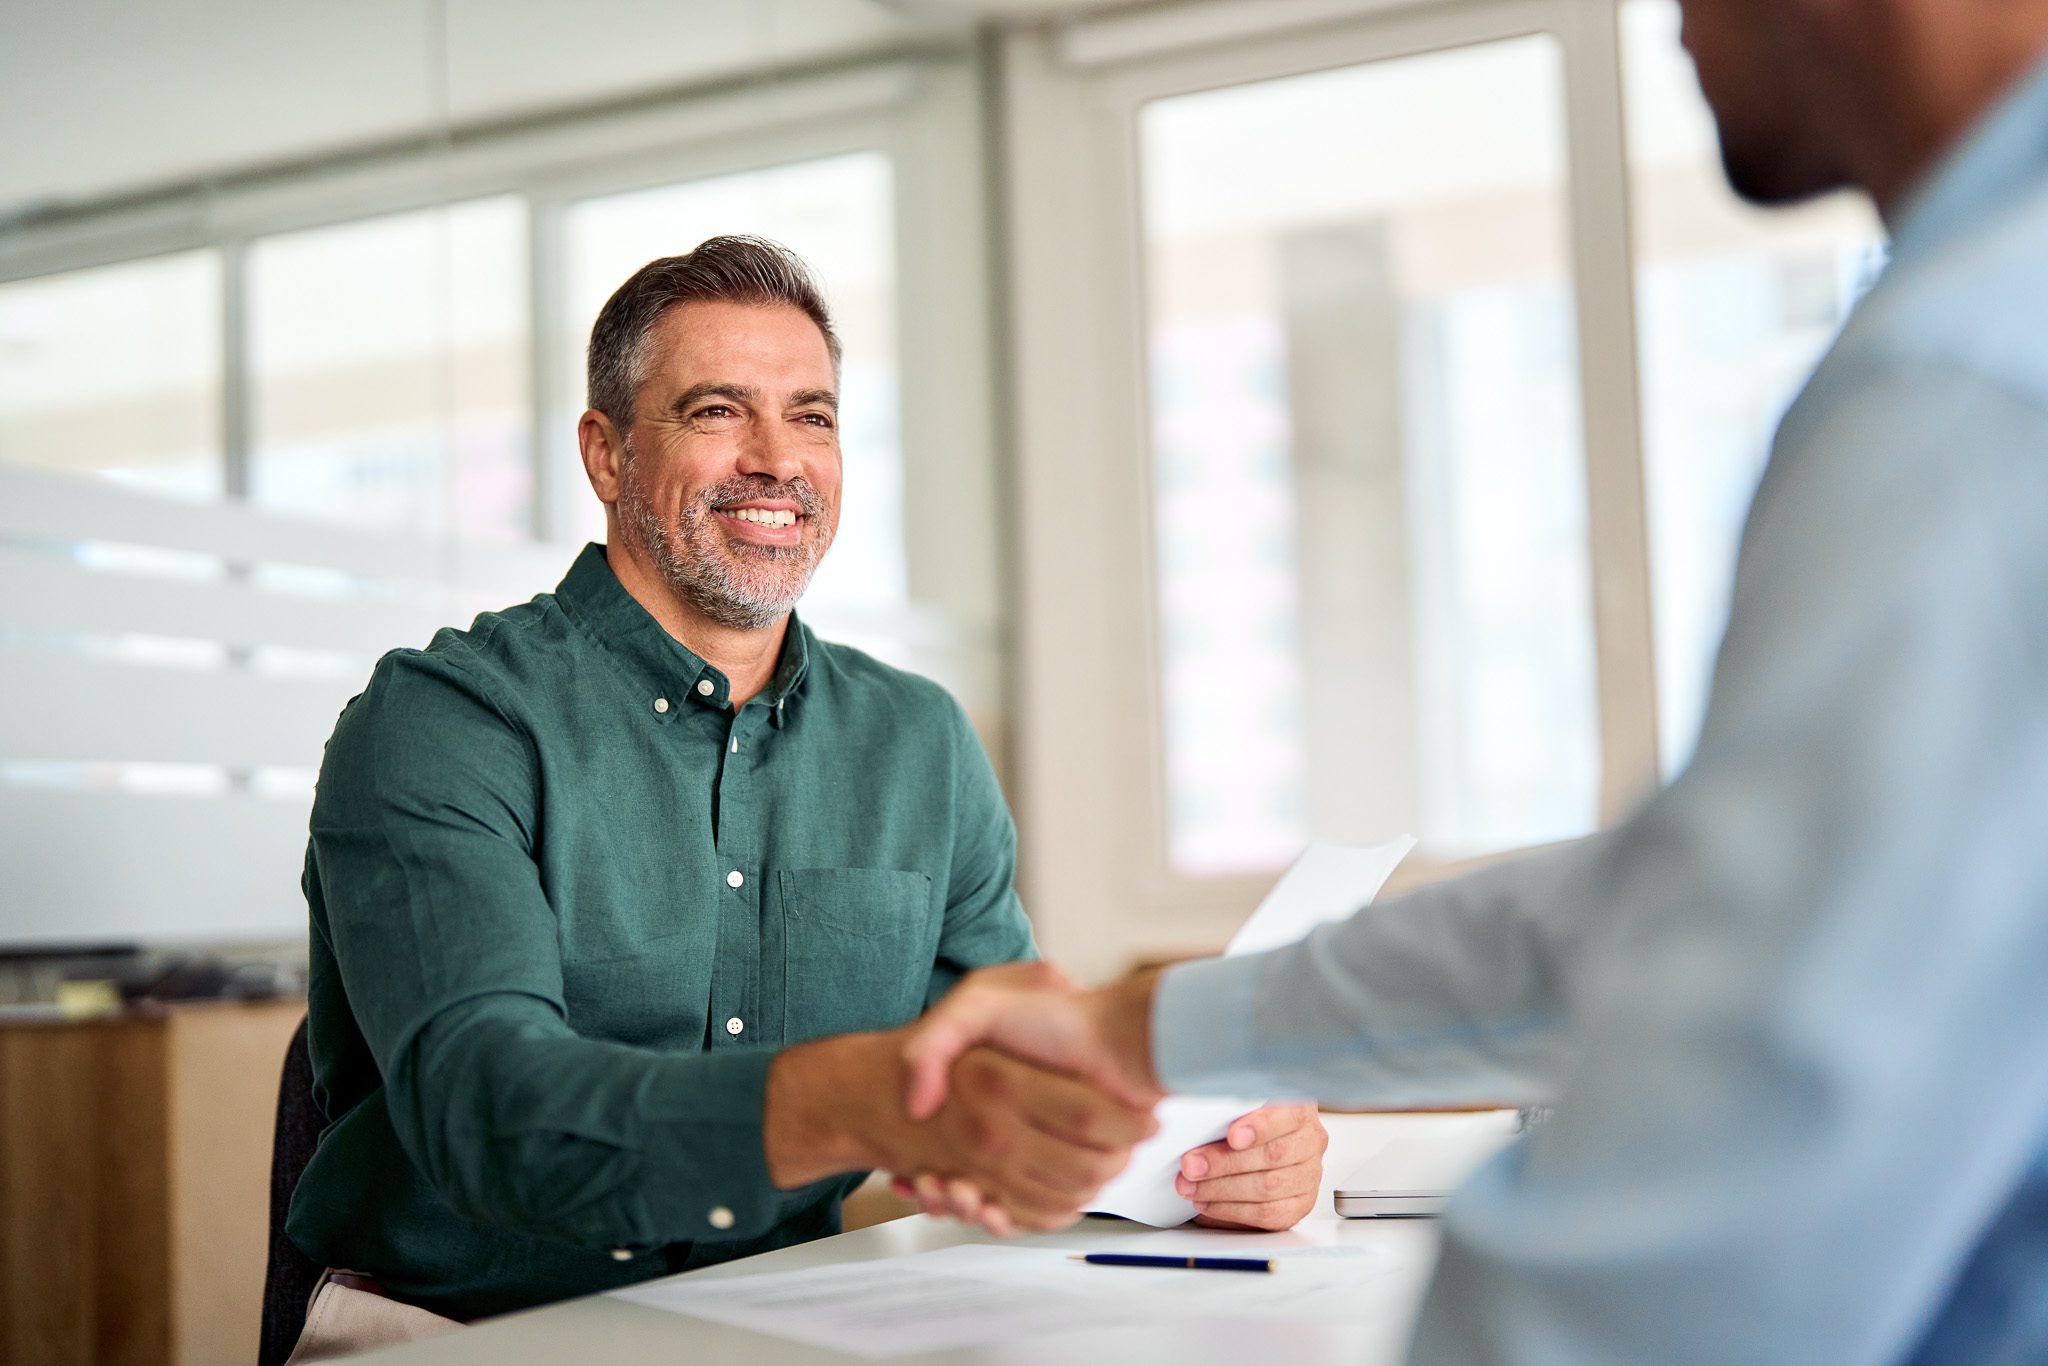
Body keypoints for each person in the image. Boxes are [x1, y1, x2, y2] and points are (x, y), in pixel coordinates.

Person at [900, 1, 2048, 1360]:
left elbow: (1703, 1224)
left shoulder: (1964, 381)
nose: (1666, 27)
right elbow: (1671, 912)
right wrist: (1154, 1026)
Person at [285, 236, 1323, 1359]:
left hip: (787, 1313)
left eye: (814, 416)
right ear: (607, 453)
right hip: (460, 1331)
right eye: (717, 411)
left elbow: (1012, 1082)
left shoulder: (916, 741)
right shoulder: (444, 722)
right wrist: (853, 1097)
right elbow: (488, 1114)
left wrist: (1208, 1152)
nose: (777, 460)